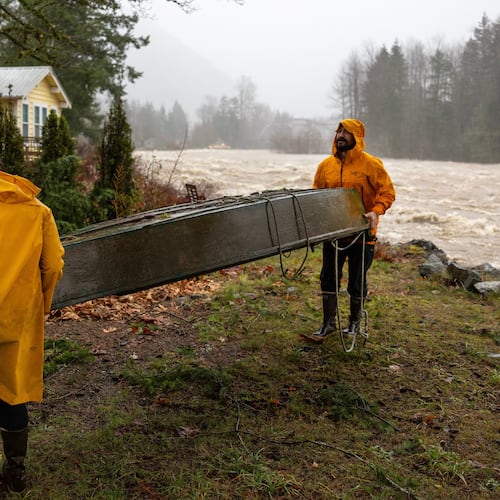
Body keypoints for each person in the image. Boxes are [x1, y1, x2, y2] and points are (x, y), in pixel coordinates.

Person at [0, 171, 64, 492]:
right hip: (15, 316)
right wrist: (41, 304)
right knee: (11, 393)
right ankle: (15, 473)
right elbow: (52, 265)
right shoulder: (37, 210)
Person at [307, 118, 395, 342]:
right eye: (339, 131)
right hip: (334, 232)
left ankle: (354, 323)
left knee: (357, 280)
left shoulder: (372, 164)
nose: (341, 136)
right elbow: (316, 194)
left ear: (357, 137)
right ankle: (328, 324)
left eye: (346, 132)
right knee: (328, 277)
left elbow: (388, 193)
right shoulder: (325, 165)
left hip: (362, 233)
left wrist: (376, 211)